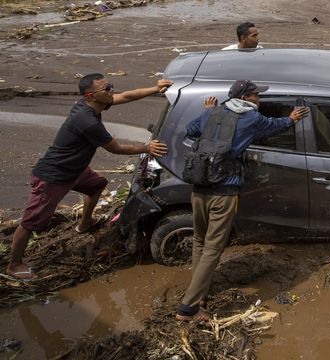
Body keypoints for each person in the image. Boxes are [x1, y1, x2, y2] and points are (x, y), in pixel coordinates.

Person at [5, 75, 172, 281]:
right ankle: (14, 265)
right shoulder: (87, 121)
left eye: (111, 86)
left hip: (76, 170)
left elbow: (126, 96)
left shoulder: (92, 103)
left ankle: (85, 224)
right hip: (54, 176)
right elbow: (116, 148)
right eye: (107, 88)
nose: (112, 91)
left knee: (97, 186)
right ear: (91, 95)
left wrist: (155, 89)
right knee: (31, 222)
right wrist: (147, 148)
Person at [176, 79, 309, 322]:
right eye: (257, 96)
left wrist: (208, 113)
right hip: (223, 192)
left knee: (199, 240)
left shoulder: (214, 112)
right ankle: (188, 309)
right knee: (214, 248)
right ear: (246, 97)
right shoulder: (251, 118)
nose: (259, 100)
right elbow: (274, 126)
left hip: (199, 188)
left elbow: (192, 130)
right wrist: (291, 119)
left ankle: (199, 293)